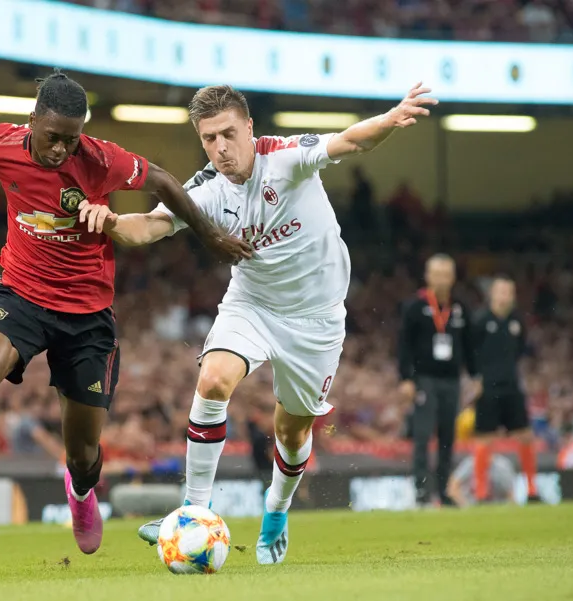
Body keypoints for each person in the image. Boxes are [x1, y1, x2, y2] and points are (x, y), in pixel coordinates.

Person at [80, 82, 438, 564]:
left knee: (292, 433)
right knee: (212, 380)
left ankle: (277, 509)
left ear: (249, 127)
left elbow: (351, 141)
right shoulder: (206, 189)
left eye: (228, 134)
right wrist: (109, 220)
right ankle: (193, 512)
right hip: (252, 304)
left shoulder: (286, 158)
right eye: (209, 139)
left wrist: (391, 118)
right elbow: (152, 225)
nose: (220, 148)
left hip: (316, 320)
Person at [0, 70, 251, 559]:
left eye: (71, 139)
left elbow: (164, 181)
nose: (61, 149)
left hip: (86, 313)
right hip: (21, 293)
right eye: (52, 137)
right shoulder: (6, 142)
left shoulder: (101, 158)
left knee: (84, 451)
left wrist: (209, 234)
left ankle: (82, 490)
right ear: (32, 122)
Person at [398, 254, 482, 507]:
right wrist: (406, 378)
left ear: (453, 277)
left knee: (448, 436)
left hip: (452, 380)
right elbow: (404, 345)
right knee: (423, 435)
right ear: (427, 276)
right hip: (425, 379)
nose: (442, 279)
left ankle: (444, 490)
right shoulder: (415, 307)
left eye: (446, 274)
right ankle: (421, 490)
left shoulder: (460, 308)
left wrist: (475, 375)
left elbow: (469, 345)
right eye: (437, 274)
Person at [471, 276, 539, 502]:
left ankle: (532, 490)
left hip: (512, 385)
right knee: (485, 438)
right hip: (488, 386)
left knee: (525, 435)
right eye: (501, 291)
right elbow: (471, 351)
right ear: (492, 294)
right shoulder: (480, 320)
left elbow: (519, 350)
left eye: (509, 292)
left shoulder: (517, 321)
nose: (505, 296)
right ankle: (481, 492)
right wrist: (476, 378)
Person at [446, 452, 516, 508]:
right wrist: (467, 506)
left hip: (497, 506)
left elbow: (510, 493)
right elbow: (452, 488)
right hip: (473, 504)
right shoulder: (469, 464)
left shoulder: (502, 466)